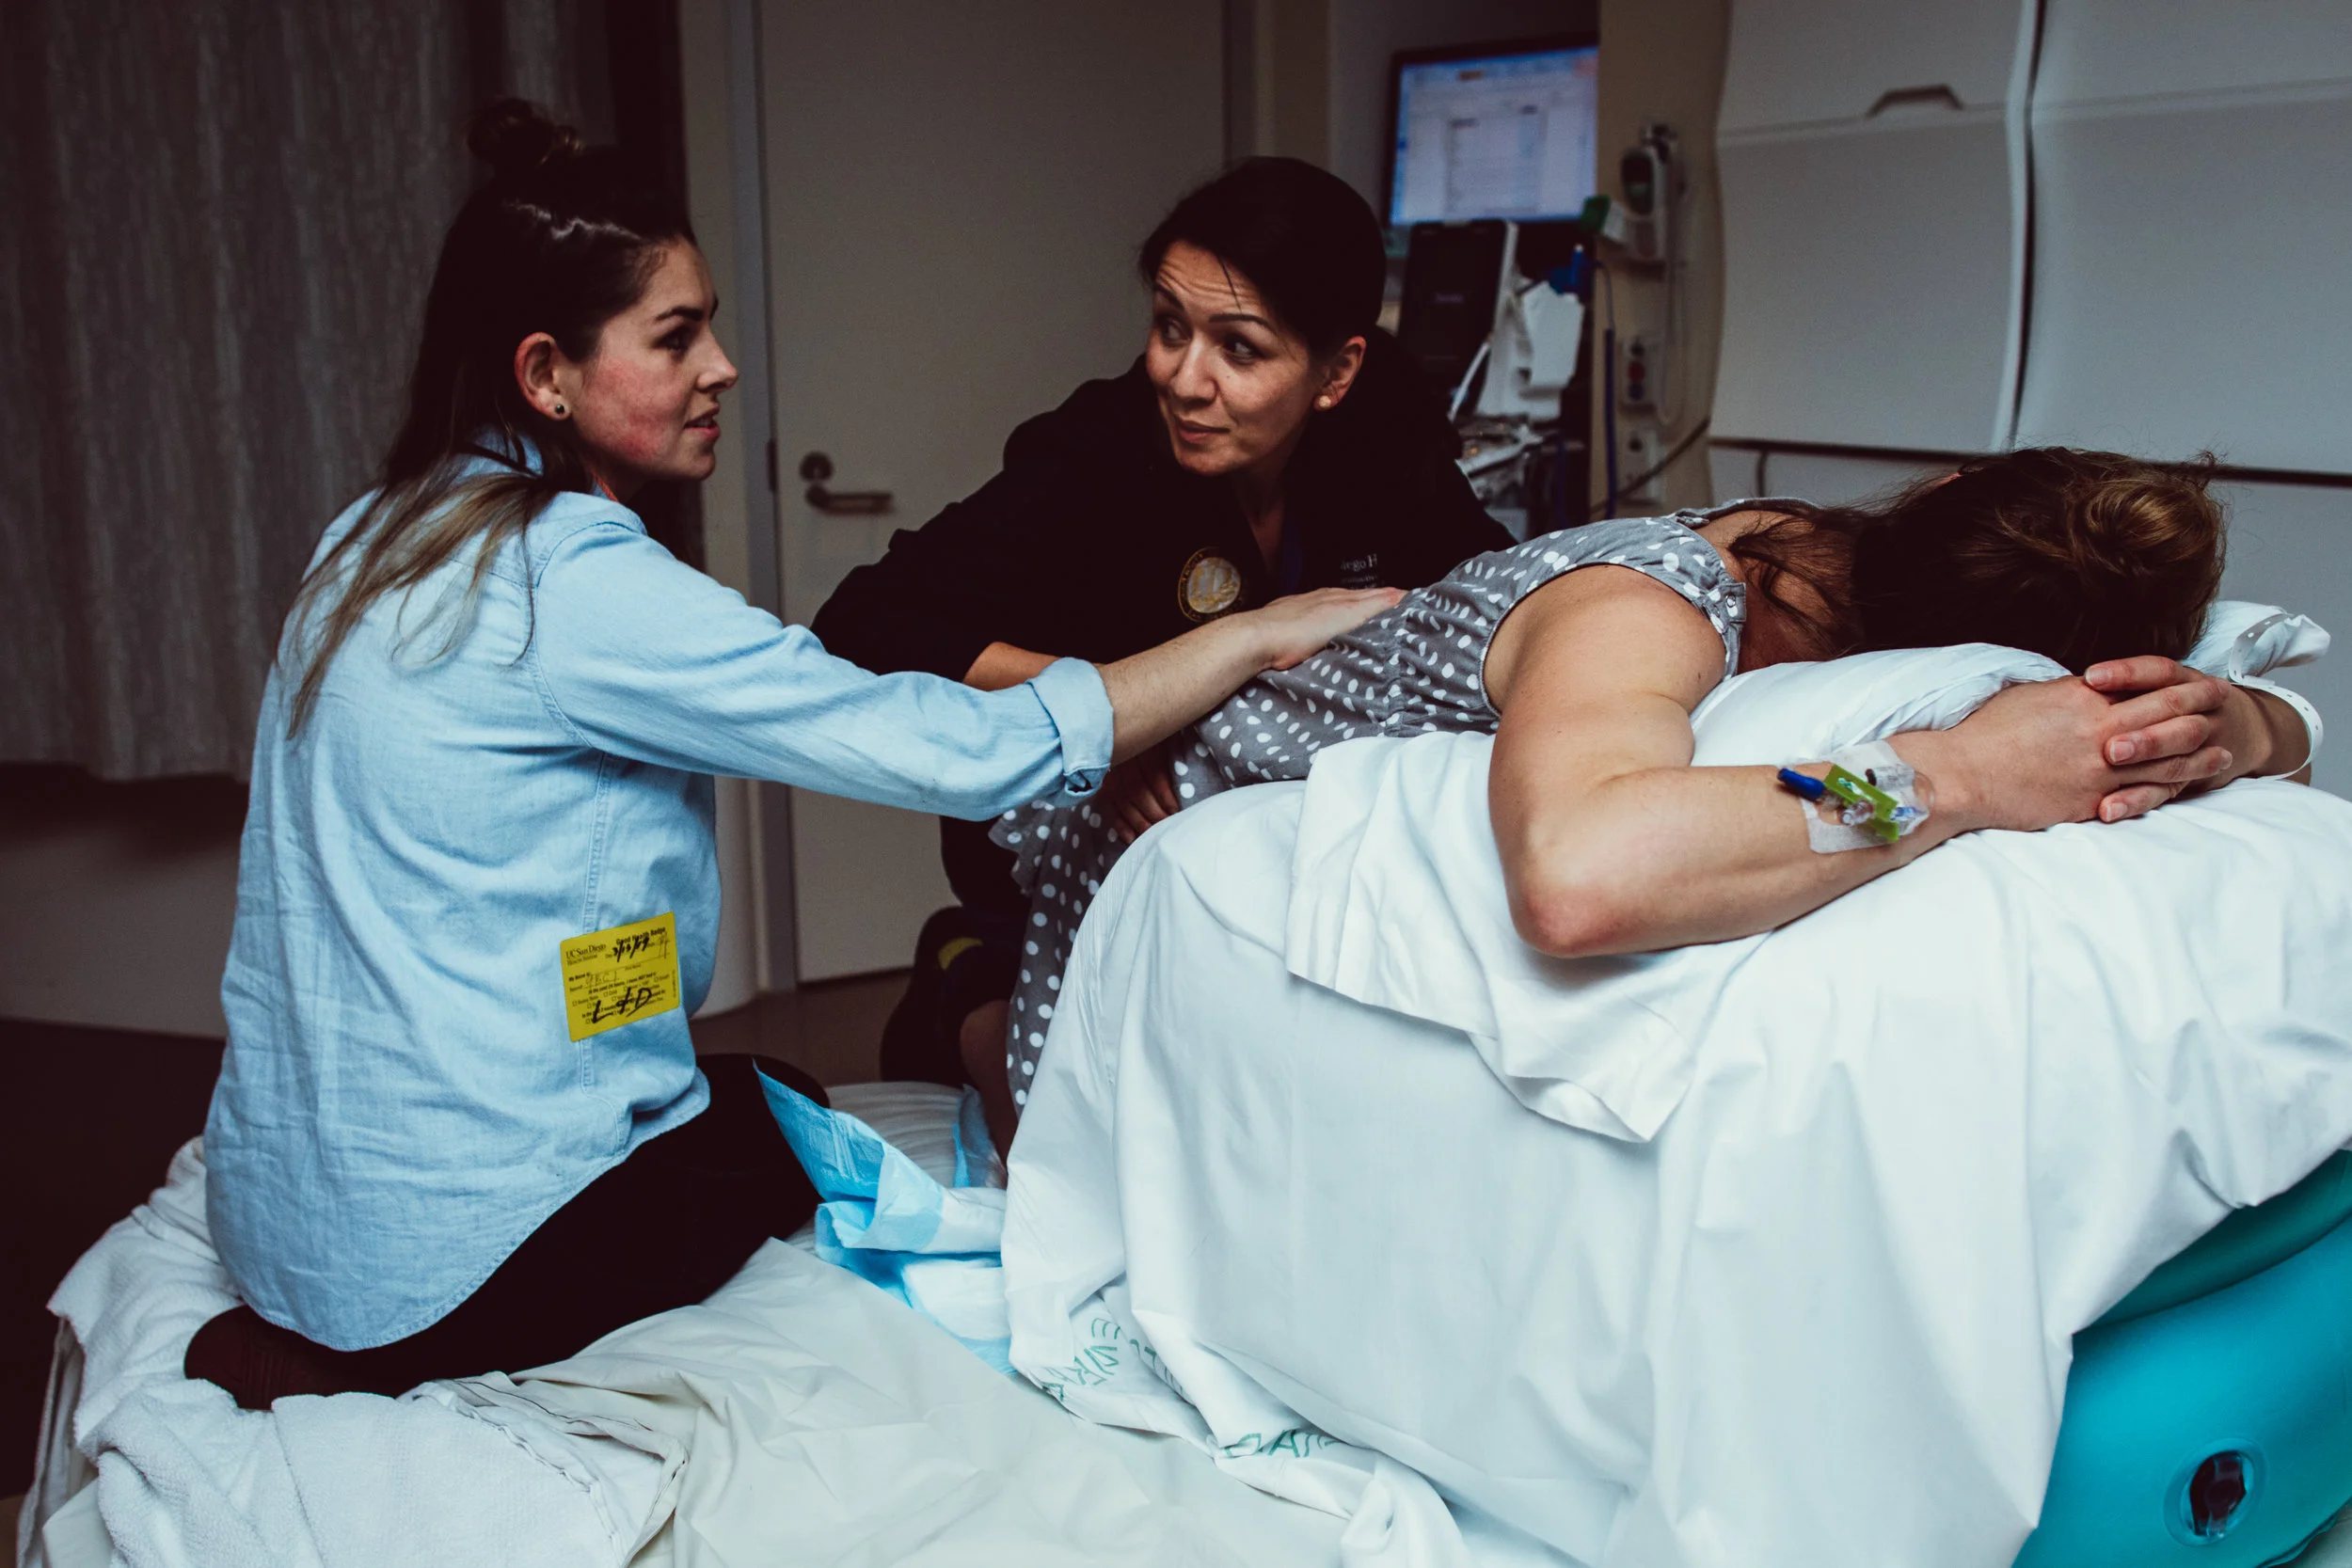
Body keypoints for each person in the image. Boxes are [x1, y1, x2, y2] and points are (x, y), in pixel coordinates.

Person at [183, 103, 1396, 1410]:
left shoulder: (373, 532)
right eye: (675, 337)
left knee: (715, 1085)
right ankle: (375, 1356)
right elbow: (957, 748)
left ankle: (351, 1304)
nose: (722, 367)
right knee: (776, 1116)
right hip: (434, 1270)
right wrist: (1248, 636)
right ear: (545, 375)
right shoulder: (575, 583)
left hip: (277, 1219)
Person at [989, 451, 2317, 1124]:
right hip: (1140, 813)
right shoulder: (1652, 606)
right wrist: (1954, 775)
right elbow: (1580, 876)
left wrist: (2245, 726)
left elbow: (2266, 725)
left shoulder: (1869, 576)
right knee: (1022, 1108)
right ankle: (966, 1010)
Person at [809, 157, 1512, 1101]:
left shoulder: (1389, 444)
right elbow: (865, 620)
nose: (1184, 379)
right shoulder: (1097, 452)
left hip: (1263, 836)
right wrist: (1103, 716)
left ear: (1336, 372)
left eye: (1239, 350)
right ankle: (966, 980)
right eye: (1169, 328)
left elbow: (1495, 599)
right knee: (1068, 1102)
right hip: (1074, 824)